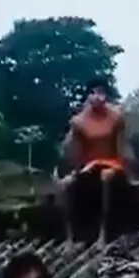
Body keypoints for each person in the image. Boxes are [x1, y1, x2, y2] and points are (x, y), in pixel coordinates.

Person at [56, 78, 127, 245]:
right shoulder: (78, 122)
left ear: (106, 96)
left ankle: (103, 232)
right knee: (64, 185)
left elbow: (121, 153)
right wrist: (73, 174)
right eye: (93, 93)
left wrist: (115, 168)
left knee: (105, 177)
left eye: (101, 92)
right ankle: (70, 237)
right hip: (88, 168)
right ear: (87, 96)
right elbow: (77, 155)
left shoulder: (116, 117)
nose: (97, 97)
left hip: (112, 167)